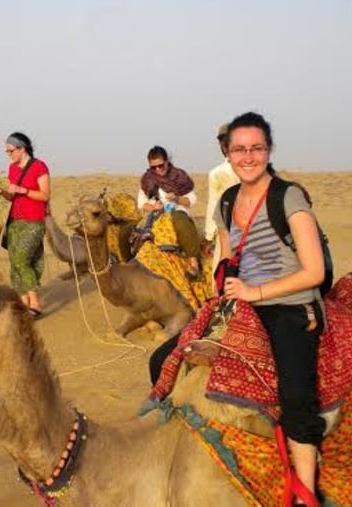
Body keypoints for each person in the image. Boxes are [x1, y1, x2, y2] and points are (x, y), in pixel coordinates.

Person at [214, 112, 327, 505]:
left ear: (268, 150)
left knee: (294, 393)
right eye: (240, 149)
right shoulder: (227, 201)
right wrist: (223, 288)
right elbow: (229, 259)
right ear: (227, 153)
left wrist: (255, 292)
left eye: (256, 148)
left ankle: (305, 490)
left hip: (290, 305)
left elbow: (313, 271)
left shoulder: (288, 196)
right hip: (243, 302)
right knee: (167, 359)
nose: (248, 157)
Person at [0, 132, 50, 318]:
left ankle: (35, 303)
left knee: (22, 259)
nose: (9, 154)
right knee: (15, 263)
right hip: (15, 220)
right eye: (7, 152)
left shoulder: (39, 166)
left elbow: (45, 195)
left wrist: (23, 189)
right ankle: (23, 303)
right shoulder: (13, 169)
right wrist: (1, 192)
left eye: (11, 150)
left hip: (34, 220)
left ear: (22, 148)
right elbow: (12, 196)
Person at [136, 146, 202, 279]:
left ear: (167, 161)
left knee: (180, 221)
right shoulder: (147, 179)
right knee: (132, 232)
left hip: (177, 211)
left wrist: (177, 198)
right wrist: (154, 207)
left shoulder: (179, 177)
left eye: (160, 165)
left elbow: (191, 200)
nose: (158, 169)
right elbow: (141, 204)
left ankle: (194, 262)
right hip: (155, 215)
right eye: (154, 167)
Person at [203, 123, 240, 268]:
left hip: (227, 230)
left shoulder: (217, 174)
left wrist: (208, 236)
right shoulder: (255, 167)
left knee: (222, 271)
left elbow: (214, 204)